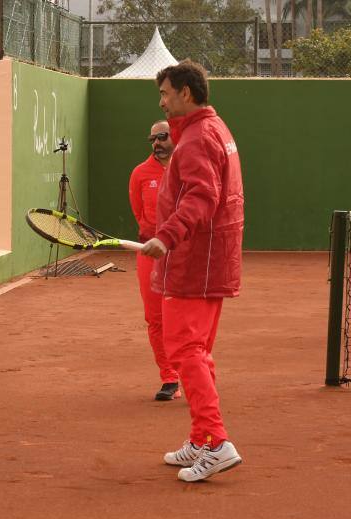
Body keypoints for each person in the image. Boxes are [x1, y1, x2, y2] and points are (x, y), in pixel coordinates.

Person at [141, 60, 244, 482]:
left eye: (165, 93)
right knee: (197, 351)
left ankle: (217, 441)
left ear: (186, 92)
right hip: (208, 262)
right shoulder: (212, 129)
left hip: (194, 263)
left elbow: (202, 197)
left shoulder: (199, 138)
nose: (162, 102)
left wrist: (166, 237)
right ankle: (202, 437)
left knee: (184, 351)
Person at [129, 120, 180, 401]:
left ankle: (197, 373)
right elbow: (139, 212)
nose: (157, 143)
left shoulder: (188, 168)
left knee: (185, 318)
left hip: (183, 255)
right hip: (148, 253)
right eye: (153, 139)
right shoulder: (140, 173)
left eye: (162, 137)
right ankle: (169, 378)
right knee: (155, 318)